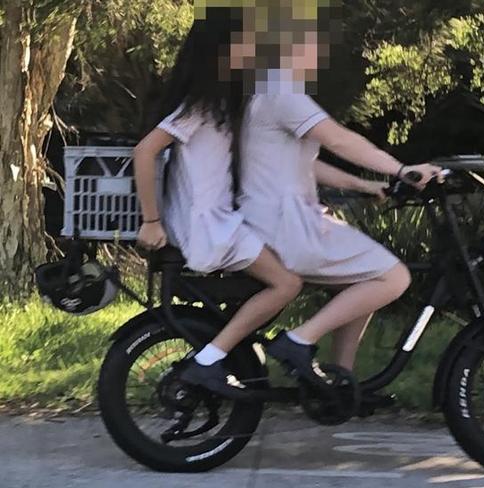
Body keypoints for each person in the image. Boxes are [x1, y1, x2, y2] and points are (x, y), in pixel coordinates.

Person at [237, 27, 444, 387]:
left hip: (273, 219)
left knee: (364, 278)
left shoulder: (266, 91)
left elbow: (306, 164)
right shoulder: (282, 93)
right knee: (394, 277)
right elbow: (340, 140)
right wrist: (402, 170)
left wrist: (363, 184)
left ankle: (340, 384)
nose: (318, 52)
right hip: (286, 226)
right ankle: (298, 341)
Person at [133, 12, 302, 398]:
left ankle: (230, 346)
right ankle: (210, 359)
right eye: (244, 43)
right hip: (209, 229)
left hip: (219, 221)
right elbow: (144, 151)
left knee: (296, 255)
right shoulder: (200, 106)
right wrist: (151, 220)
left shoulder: (220, 104)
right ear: (220, 51)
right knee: (287, 282)